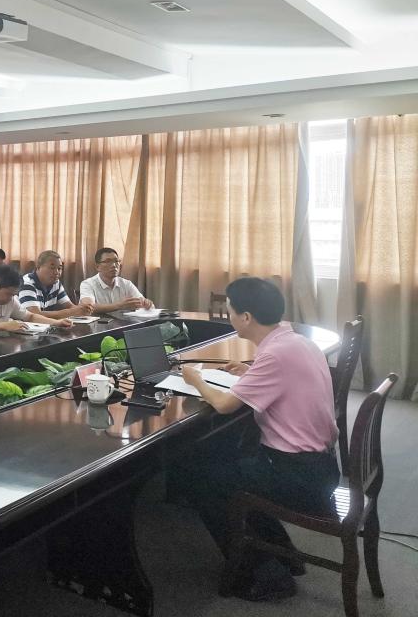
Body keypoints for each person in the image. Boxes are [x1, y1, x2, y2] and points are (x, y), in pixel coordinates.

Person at [173, 278, 339, 602]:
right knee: (226, 465)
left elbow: (224, 405)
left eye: (231, 311)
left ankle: (263, 574)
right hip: (319, 465)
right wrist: (249, 372)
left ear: (246, 317)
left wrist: (195, 379)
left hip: (298, 475)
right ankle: (284, 555)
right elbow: (282, 378)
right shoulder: (297, 343)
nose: (229, 316)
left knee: (202, 481)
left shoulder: (274, 355)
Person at [0, 265, 71, 336]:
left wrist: (57, 322)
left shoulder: (10, 299)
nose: (11, 298)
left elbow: (30, 317)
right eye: (8, 294)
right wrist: (4, 325)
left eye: (14, 295)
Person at [18, 251, 93, 318]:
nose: (57, 272)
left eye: (59, 268)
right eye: (52, 268)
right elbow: (34, 315)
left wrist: (82, 309)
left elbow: (69, 306)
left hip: (47, 326)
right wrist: (71, 312)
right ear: (38, 267)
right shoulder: (27, 283)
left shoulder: (56, 283)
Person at [79, 247, 152, 313]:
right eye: (108, 261)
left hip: (122, 322)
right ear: (97, 267)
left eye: (116, 261)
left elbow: (143, 303)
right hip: (98, 323)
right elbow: (88, 307)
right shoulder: (87, 284)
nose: (114, 265)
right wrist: (120, 305)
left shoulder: (126, 284)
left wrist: (147, 304)